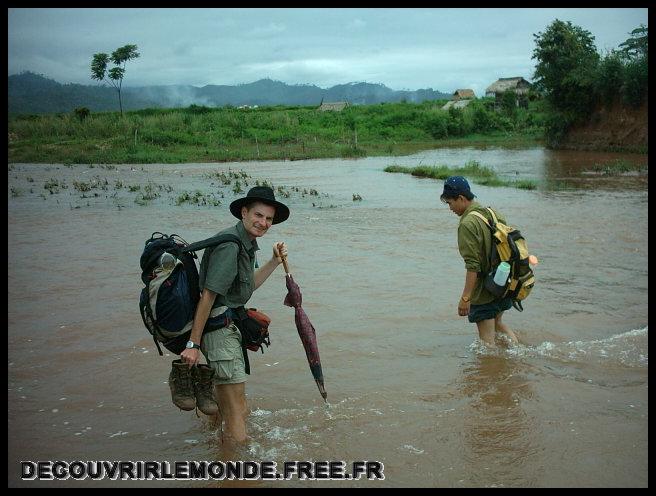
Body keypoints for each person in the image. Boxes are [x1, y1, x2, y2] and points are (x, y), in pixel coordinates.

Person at [180, 185, 289, 444]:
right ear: (243, 212)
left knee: (226, 408)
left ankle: (216, 455)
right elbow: (208, 295)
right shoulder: (230, 245)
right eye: (258, 215)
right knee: (238, 411)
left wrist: (274, 261)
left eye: (269, 219)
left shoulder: (245, 243)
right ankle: (240, 472)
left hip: (225, 330)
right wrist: (193, 345)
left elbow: (246, 286)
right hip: (220, 333)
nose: (263, 223)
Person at [440, 176, 518, 348]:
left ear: (461, 198)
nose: (450, 208)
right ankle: (518, 356)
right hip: (503, 281)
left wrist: (465, 298)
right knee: (498, 324)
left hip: (485, 288)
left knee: (487, 344)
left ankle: (492, 370)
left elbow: (472, 266)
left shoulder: (467, 224)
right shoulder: (492, 212)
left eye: (450, 202)